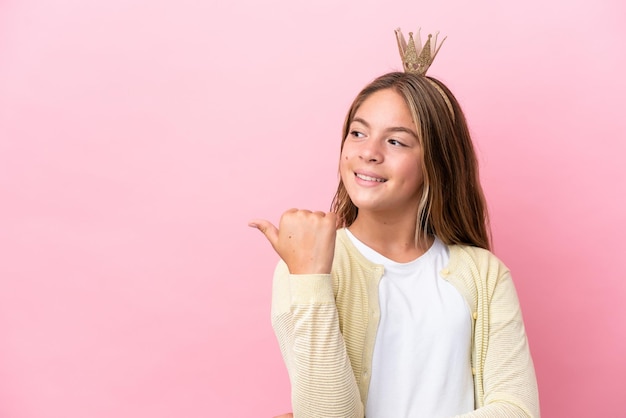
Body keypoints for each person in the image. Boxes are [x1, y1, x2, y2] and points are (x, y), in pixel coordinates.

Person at [249, 28, 539, 418]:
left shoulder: (485, 276)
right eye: (358, 133)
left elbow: (517, 410)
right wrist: (310, 280)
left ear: (436, 161)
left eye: (396, 141)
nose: (367, 153)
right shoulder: (305, 266)